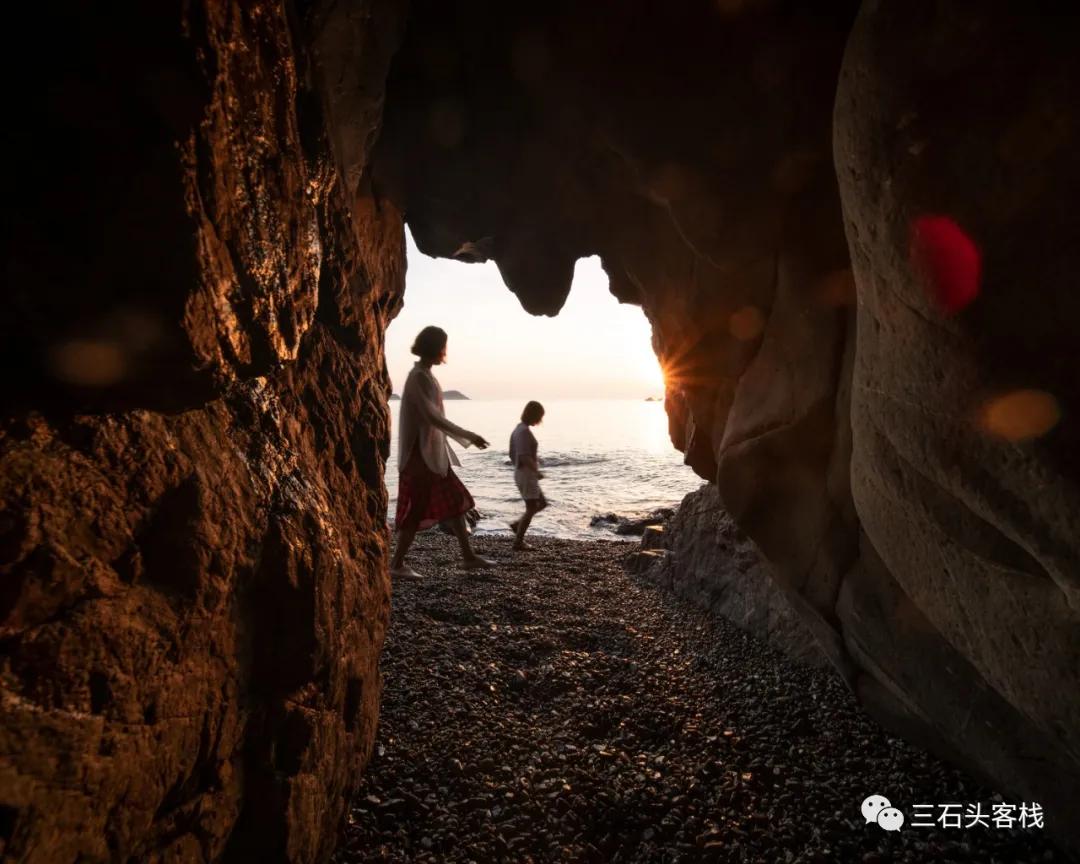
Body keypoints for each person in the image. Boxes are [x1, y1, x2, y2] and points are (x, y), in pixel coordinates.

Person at [391, 326, 495, 579]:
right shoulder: (418, 377)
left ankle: (468, 557)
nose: (445, 352)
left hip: (434, 456)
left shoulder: (426, 375)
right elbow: (432, 418)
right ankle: (396, 565)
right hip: (420, 458)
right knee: (416, 510)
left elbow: (434, 420)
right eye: (443, 346)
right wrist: (469, 436)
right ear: (435, 348)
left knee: (455, 503)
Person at [509, 400, 548, 551]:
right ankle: (518, 542)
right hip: (526, 474)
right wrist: (536, 471)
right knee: (531, 507)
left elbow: (512, 454)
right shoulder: (523, 432)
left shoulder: (519, 429)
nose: (541, 420)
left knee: (542, 503)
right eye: (540, 416)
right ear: (534, 415)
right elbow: (524, 456)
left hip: (523, 473)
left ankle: (517, 525)